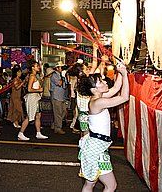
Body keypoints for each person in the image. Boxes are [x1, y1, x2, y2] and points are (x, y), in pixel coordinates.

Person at [77, 63, 129, 192]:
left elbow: (117, 87)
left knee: (90, 184)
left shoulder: (97, 98)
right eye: (101, 82)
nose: (105, 81)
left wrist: (120, 71)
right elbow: (124, 97)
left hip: (95, 146)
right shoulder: (98, 102)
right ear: (95, 89)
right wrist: (125, 74)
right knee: (110, 186)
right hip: (97, 149)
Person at [17, 61, 48, 141]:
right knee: (29, 116)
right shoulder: (32, 76)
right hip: (32, 98)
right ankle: (21, 133)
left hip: (36, 98)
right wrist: (39, 90)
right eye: (37, 66)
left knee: (38, 115)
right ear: (32, 68)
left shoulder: (35, 76)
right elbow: (29, 89)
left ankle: (38, 133)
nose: (38, 67)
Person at [50, 61, 68, 135]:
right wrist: (63, 77)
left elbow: (66, 84)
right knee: (58, 113)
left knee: (63, 111)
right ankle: (58, 128)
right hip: (56, 96)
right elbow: (60, 83)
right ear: (57, 68)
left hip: (62, 96)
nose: (62, 68)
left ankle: (55, 124)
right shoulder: (54, 75)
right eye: (61, 67)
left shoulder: (62, 75)